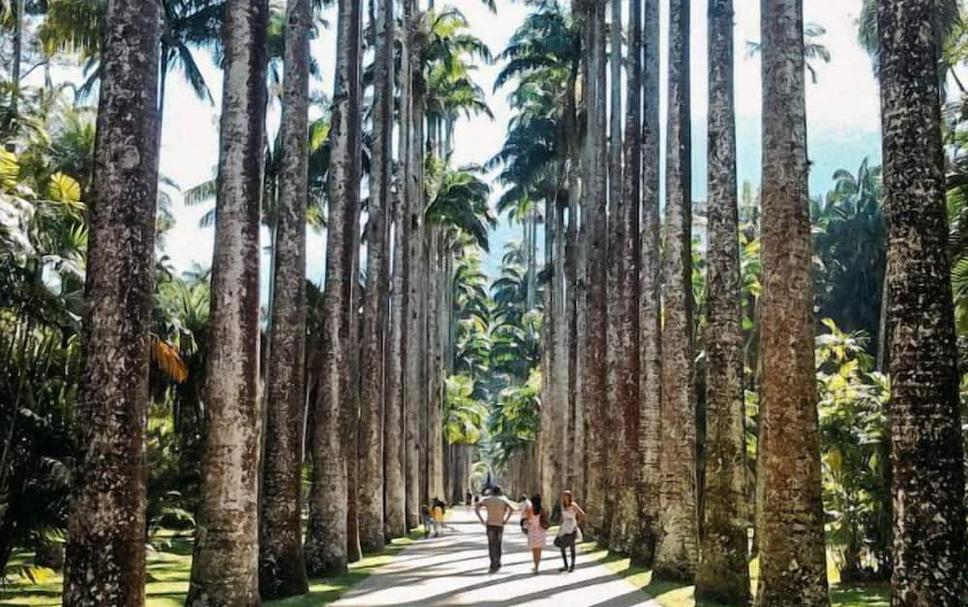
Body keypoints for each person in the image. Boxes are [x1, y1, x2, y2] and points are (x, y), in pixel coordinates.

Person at [474, 485, 515, 572]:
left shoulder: (488, 500)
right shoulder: (503, 500)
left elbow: (477, 507)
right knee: (498, 544)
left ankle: (493, 562)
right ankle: (498, 561)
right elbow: (512, 509)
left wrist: (481, 520)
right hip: (500, 524)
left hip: (490, 524)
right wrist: (506, 519)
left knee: (491, 544)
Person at [554, 490, 586, 572]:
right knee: (561, 546)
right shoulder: (563, 505)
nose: (564, 498)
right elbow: (563, 517)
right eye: (563, 496)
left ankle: (572, 565)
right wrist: (561, 526)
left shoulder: (573, 505)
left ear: (569, 497)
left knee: (572, 546)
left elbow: (582, 514)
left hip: (572, 526)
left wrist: (577, 524)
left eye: (566, 496)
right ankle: (565, 565)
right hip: (564, 527)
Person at [525, 494, 551, 573]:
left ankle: (535, 566)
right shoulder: (542, 510)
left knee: (534, 550)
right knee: (539, 550)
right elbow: (546, 517)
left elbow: (529, 520)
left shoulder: (530, 509)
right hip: (541, 531)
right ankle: (537, 566)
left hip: (533, 530)